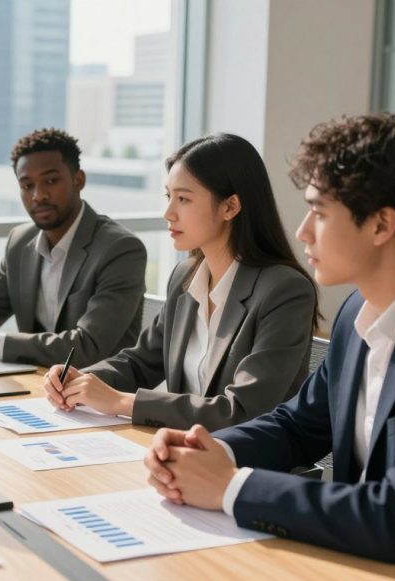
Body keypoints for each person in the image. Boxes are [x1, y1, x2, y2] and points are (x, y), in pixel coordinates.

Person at [144, 113, 395, 573]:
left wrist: (230, 487)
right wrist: (210, 450)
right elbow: (300, 426)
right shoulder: (355, 314)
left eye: (321, 212)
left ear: (381, 225)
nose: (303, 231)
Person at [43, 133, 319, 431]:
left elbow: (243, 410)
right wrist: (80, 380)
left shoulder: (285, 291)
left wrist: (122, 402)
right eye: (168, 196)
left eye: (184, 199)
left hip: (240, 465)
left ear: (230, 207)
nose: (168, 213)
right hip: (175, 452)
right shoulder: (185, 278)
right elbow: (141, 362)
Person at [0, 128, 147, 368]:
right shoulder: (20, 242)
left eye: (51, 181)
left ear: (79, 180)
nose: (38, 195)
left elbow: (90, 346)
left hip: (96, 394)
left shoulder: (120, 249)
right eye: (27, 186)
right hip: (34, 385)